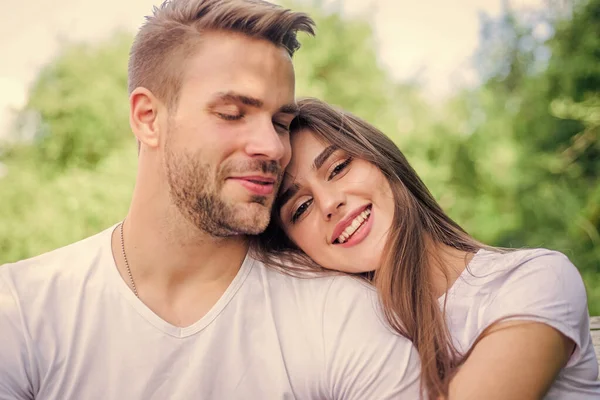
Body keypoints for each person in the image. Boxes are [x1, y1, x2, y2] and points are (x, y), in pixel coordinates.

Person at [0, 1, 423, 399]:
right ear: (148, 118)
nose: (273, 148)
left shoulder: (342, 316)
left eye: (280, 122)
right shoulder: (22, 312)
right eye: (232, 114)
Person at [255, 97, 600, 399]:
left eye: (339, 168)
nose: (329, 203)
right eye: (300, 208)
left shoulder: (535, 280)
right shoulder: (337, 341)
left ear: (381, 159)